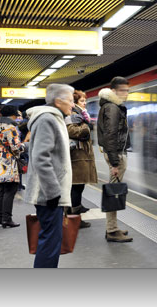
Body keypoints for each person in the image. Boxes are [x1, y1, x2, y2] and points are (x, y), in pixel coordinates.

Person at [24, 84, 74, 268]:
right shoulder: (47, 119)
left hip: (50, 192)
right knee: (50, 243)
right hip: (49, 193)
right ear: (58, 101)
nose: (73, 104)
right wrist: (53, 192)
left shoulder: (53, 119)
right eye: (70, 100)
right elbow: (41, 158)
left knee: (51, 241)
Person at [97, 77, 133, 243]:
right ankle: (111, 230)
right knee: (114, 192)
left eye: (127, 90)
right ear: (113, 91)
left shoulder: (109, 105)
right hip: (116, 153)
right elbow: (110, 135)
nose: (126, 93)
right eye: (123, 90)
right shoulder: (112, 107)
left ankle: (112, 227)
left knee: (114, 190)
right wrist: (114, 162)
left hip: (116, 152)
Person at [65, 90, 98, 229]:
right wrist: (86, 127)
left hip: (81, 157)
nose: (85, 103)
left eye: (85, 101)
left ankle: (72, 216)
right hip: (77, 158)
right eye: (82, 101)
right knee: (76, 188)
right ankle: (75, 219)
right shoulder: (74, 115)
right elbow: (72, 131)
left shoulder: (81, 116)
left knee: (78, 187)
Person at [0, 105, 25, 228]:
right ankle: (7, 219)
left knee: (1, 191)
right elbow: (16, 147)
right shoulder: (11, 128)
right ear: (12, 115)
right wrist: (25, 146)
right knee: (10, 191)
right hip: (8, 163)